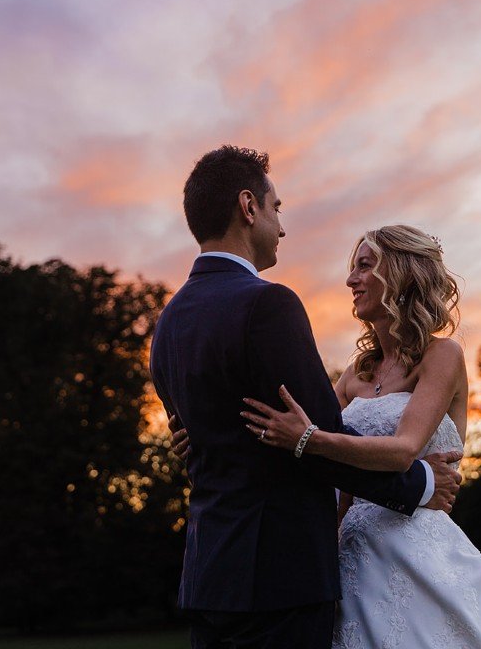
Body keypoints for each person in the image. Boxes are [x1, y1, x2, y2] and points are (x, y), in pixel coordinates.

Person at [149, 146, 463, 649]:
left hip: (209, 573)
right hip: (279, 576)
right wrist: (422, 483)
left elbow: (200, 439)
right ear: (248, 207)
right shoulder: (267, 303)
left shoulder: (168, 324)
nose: (282, 225)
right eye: (277, 209)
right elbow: (317, 440)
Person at [242, 224, 481, 648]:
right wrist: (201, 437)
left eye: (364, 266)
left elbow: (402, 451)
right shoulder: (354, 376)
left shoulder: (442, 355)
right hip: (352, 554)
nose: (350, 280)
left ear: (399, 274)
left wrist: (310, 439)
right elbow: (290, 432)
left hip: (419, 548)